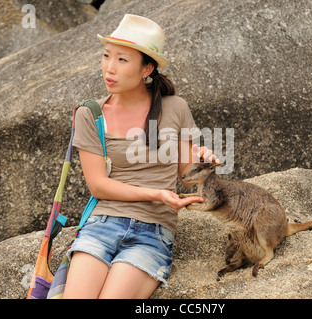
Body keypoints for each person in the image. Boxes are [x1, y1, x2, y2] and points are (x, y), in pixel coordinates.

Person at [63, 14, 218, 299]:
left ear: (147, 68)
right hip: (102, 223)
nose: (109, 68)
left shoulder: (175, 108)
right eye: (106, 56)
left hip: (153, 232)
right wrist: (156, 194)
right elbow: (98, 185)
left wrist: (204, 161)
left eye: (122, 60)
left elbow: (186, 177)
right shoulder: (91, 113)